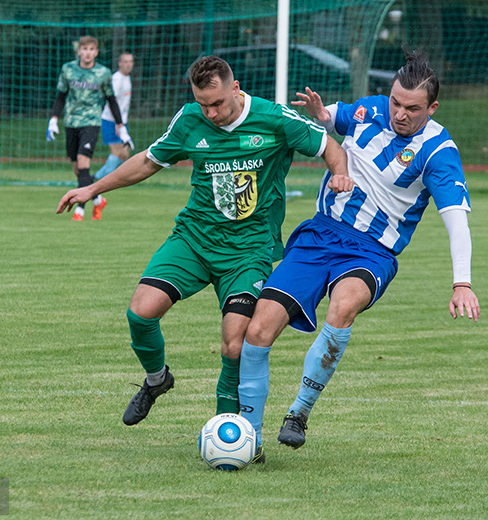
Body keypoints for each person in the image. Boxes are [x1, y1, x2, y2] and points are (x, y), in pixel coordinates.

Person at [57, 56, 349, 461]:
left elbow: (329, 147)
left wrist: (340, 173)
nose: (210, 113)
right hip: (193, 240)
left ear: (235, 87)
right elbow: (146, 161)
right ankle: (157, 379)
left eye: (217, 104)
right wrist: (91, 188)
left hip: (247, 252)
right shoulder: (190, 119)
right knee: (140, 313)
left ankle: (231, 436)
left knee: (234, 345)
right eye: (203, 104)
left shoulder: (274, 118)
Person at [238, 49, 481, 457]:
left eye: (412, 108)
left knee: (344, 305)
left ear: (432, 108)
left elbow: (457, 221)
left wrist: (462, 282)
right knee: (259, 330)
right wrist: (321, 114)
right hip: (320, 234)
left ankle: (299, 411)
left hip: (372, 253)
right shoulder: (369, 111)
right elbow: (333, 119)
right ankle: (249, 435)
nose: (400, 114)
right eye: (395, 102)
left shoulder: (439, 152)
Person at [47, 36, 123, 221]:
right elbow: (61, 96)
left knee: (83, 162)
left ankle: (79, 210)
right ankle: (98, 200)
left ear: (96, 52)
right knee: (78, 169)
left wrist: (120, 124)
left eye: (91, 49)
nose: (88, 53)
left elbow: (111, 100)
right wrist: (53, 119)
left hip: (91, 123)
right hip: (71, 123)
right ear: (79, 51)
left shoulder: (103, 73)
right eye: (84, 49)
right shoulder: (68, 70)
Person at [94, 52, 135, 181]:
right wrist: (118, 124)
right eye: (125, 62)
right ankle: (100, 180)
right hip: (111, 121)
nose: (128, 65)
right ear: (120, 64)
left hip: (121, 121)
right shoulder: (117, 79)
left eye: (130, 62)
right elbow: (112, 102)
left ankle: (98, 177)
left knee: (124, 153)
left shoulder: (127, 77)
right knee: (118, 152)